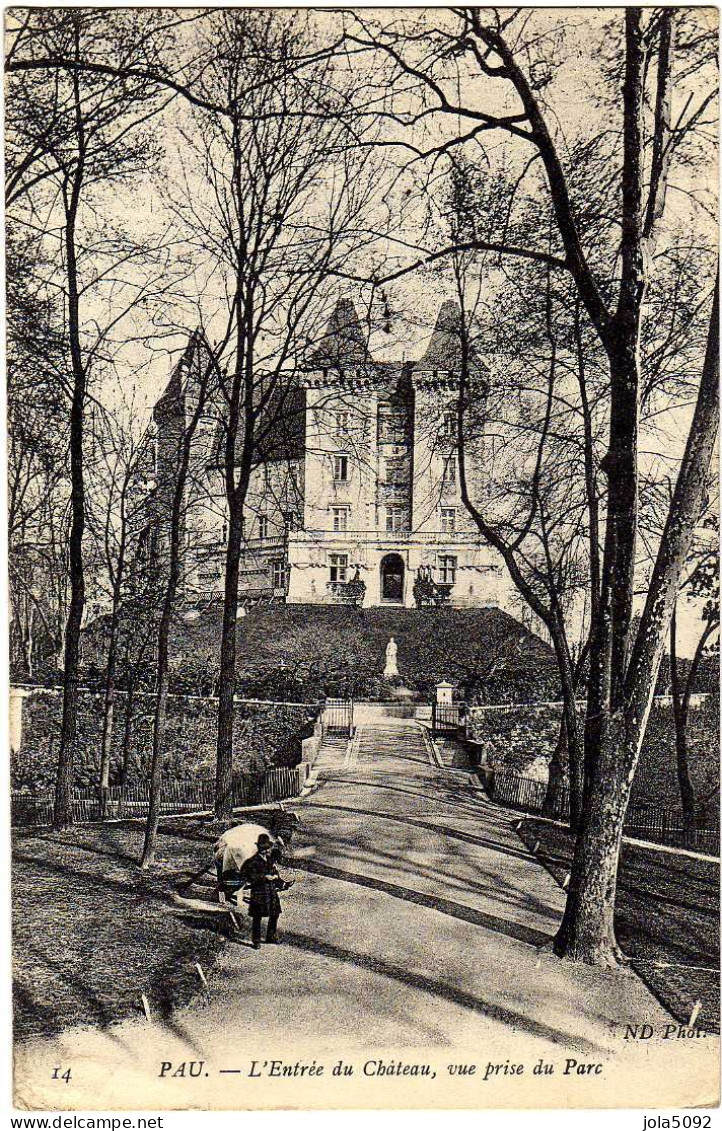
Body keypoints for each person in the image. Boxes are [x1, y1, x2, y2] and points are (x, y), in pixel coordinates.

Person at [240, 833, 291, 949]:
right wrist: (264, 877)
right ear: (259, 848)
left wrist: (279, 880)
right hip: (259, 892)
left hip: (271, 892)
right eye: (263, 848)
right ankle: (256, 940)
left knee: (275, 913)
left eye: (267, 848)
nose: (266, 850)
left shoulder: (269, 859)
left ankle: (271, 936)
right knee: (257, 917)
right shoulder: (252, 862)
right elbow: (246, 876)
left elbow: (276, 858)